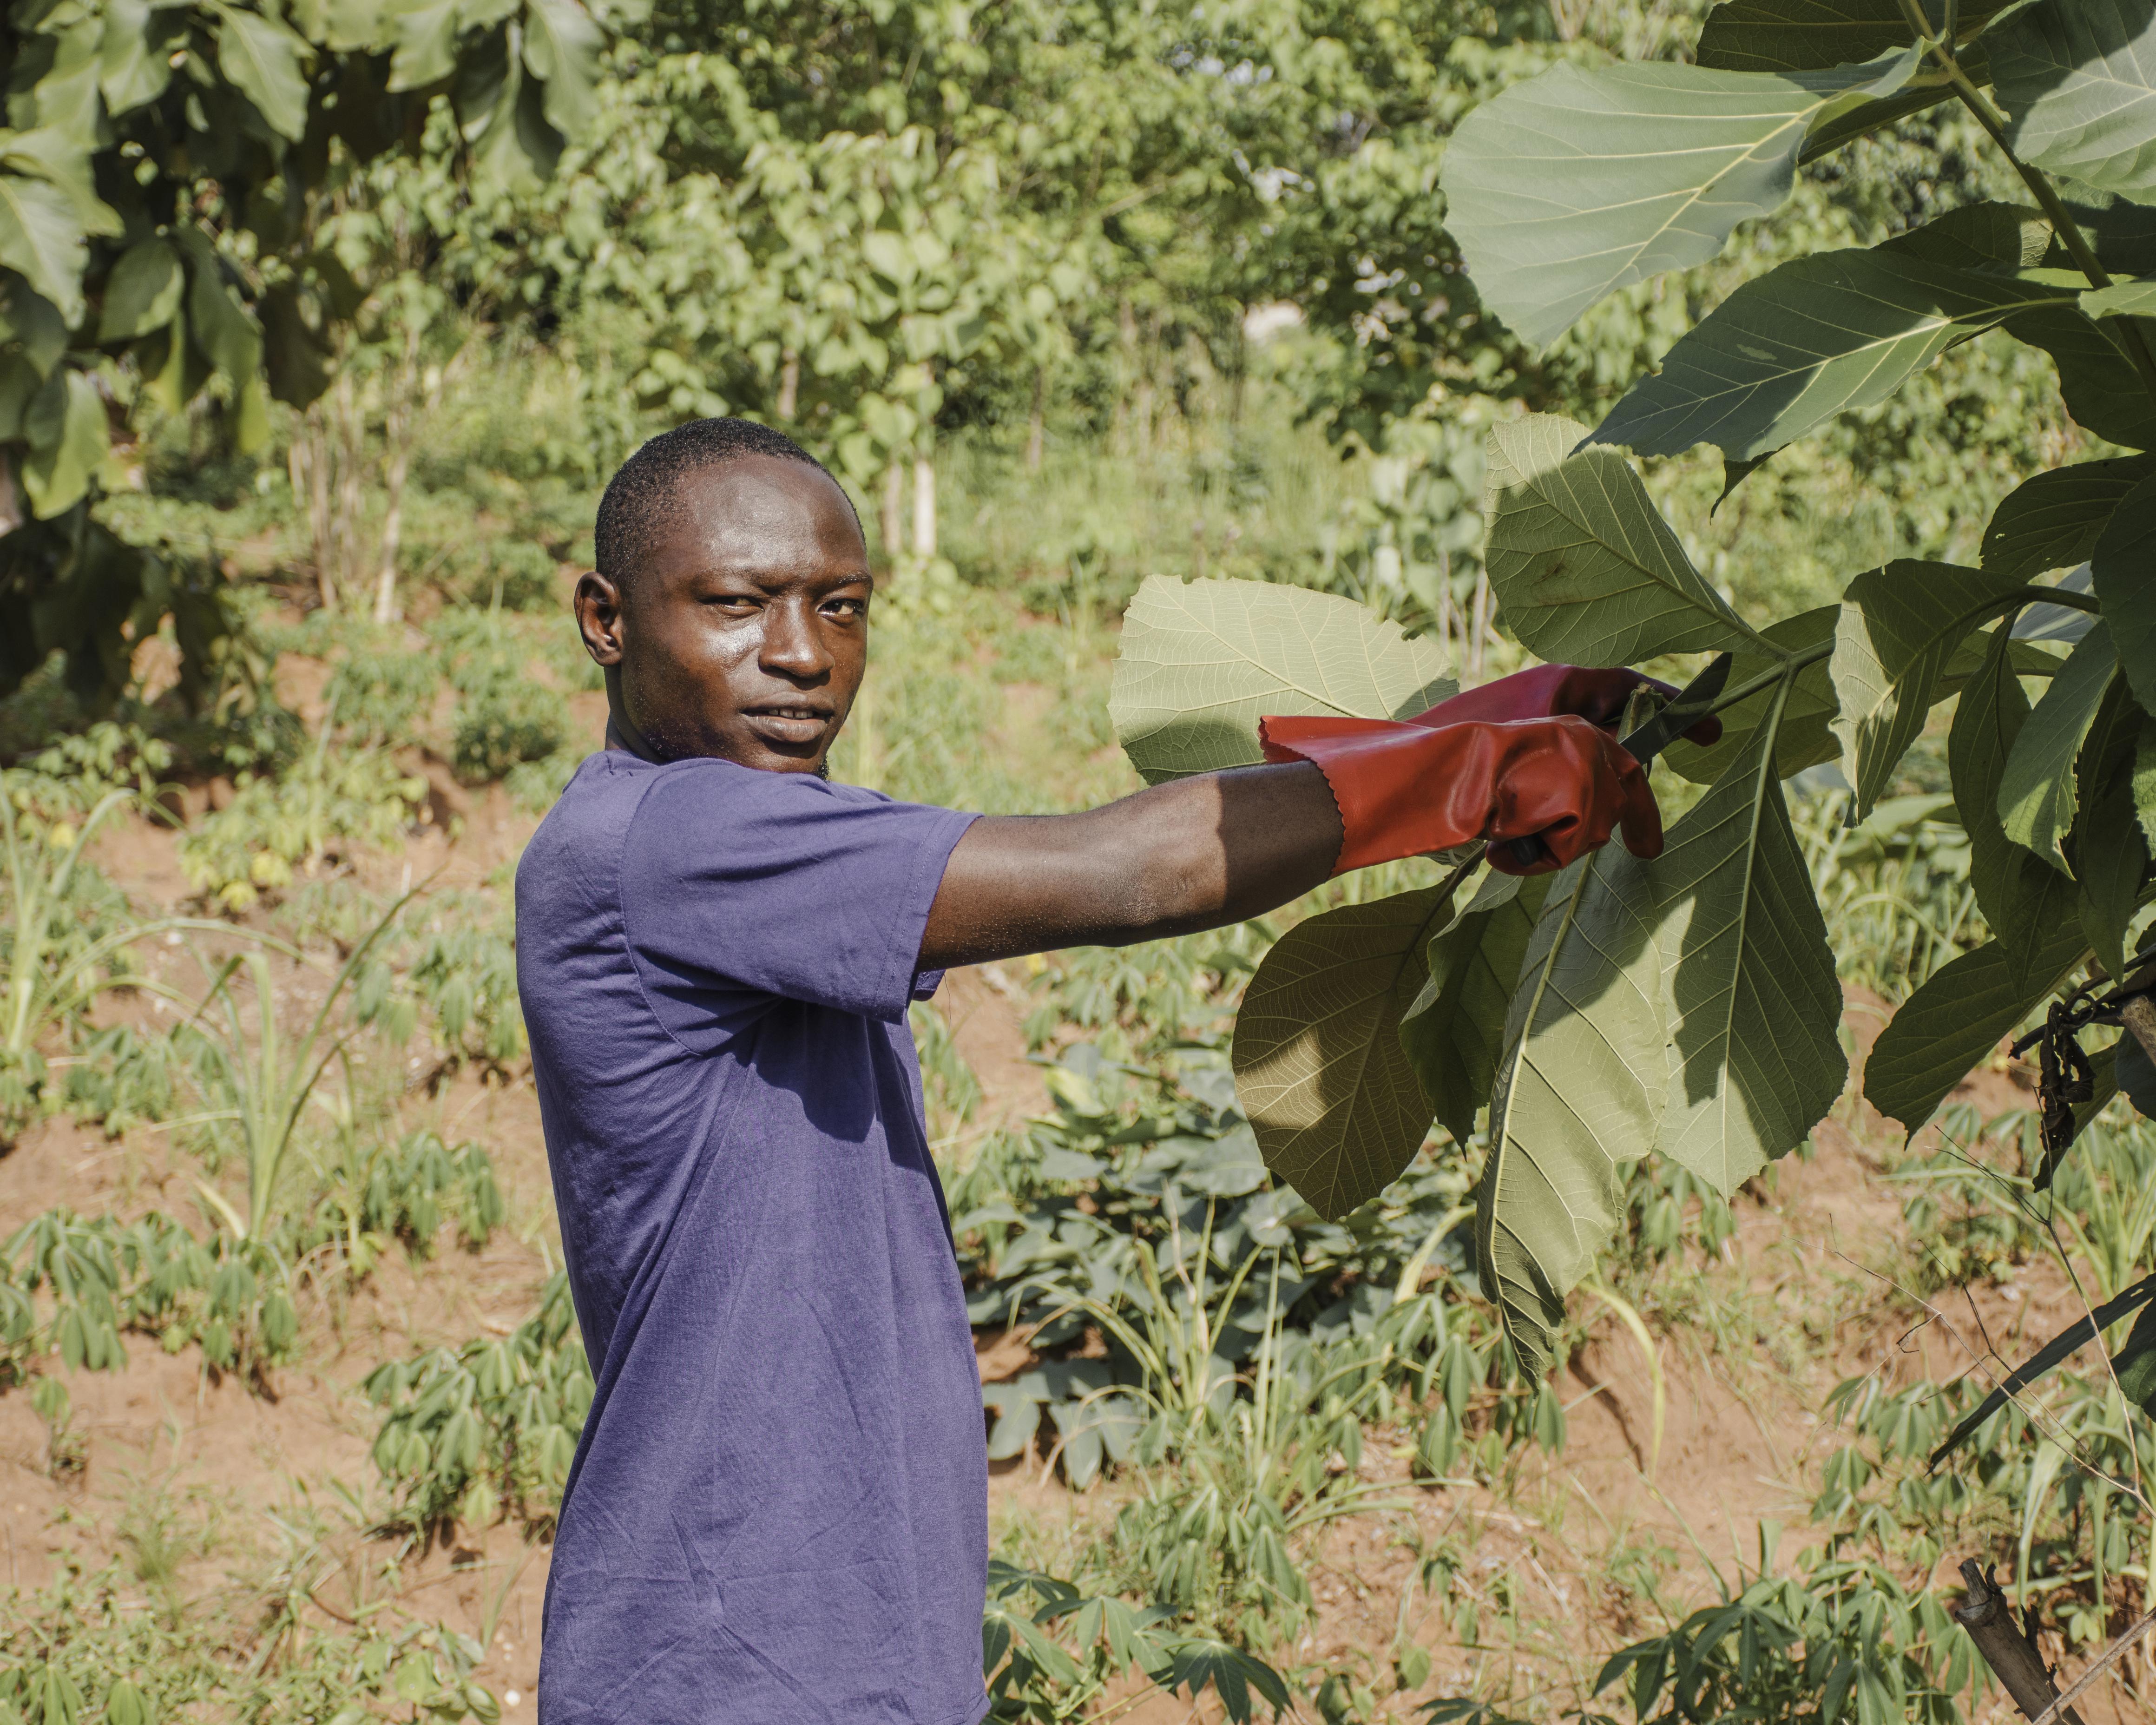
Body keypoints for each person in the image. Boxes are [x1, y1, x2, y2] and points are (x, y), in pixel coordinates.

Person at [515, 417, 1706, 1725]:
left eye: (840, 606)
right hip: (732, 1659)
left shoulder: (721, 836)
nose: (800, 653)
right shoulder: (672, 837)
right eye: (736, 606)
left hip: (816, 1633)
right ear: (606, 619)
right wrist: (1457, 774)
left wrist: (1473, 730)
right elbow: (1121, 871)